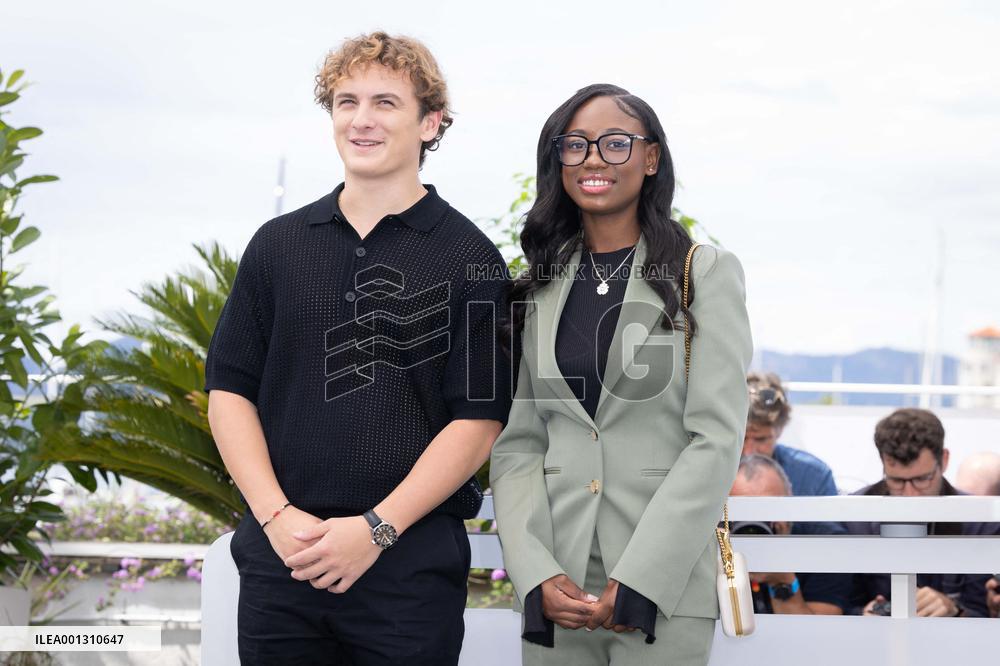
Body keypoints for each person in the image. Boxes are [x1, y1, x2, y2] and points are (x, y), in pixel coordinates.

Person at [204, 32, 511, 665]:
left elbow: (479, 421)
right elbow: (229, 391)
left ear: (431, 122)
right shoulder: (277, 245)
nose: (361, 120)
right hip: (283, 556)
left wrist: (376, 530)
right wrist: (277, 518)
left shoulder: (472, 258)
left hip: (408, 568)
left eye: (385, 103)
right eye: (347, 102)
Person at [490, 83, 753, 665]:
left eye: (615, 143)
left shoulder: (702, 274)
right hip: (557, 587)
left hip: (663, 584)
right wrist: (533, 571)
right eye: (575, 144)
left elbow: (715, 439)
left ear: (650, 157)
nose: (592, 159)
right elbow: (519, 445)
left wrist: (640, 577)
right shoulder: (540, 286)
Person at [845, 408, 1000, 618]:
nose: (910, 494)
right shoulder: (855, 517)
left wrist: (954, 611)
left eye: (921, 479)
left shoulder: (980, 523)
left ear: (944, 460)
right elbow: (837, 603)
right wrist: (861, 615)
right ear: (883, 463)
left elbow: (985, 614)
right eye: (896, 480)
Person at [730, 455, 851, 615]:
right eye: (743, 512)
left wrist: (781, 581)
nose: (755, 522)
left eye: (768, 509)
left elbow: (819, 629)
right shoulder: (713, 542)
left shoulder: (824, 543)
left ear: (790, 500)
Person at [744, 371, 838, 497]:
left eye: (761, 439)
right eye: (741, 440)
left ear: (780, 430)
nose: (749, 451)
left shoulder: (814, 477)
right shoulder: (815, 475)